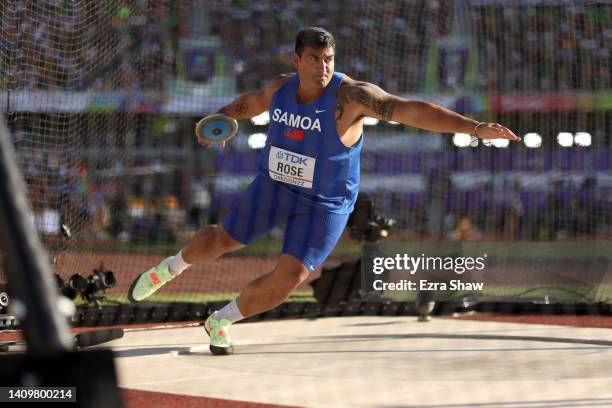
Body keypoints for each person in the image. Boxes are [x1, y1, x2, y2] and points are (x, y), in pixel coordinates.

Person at [128, 27, 520, 355]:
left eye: (328, 58)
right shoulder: (280, 89)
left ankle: (221, 320)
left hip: (326, 203)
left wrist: (473, 127)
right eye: (314, 58)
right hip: (275, 186)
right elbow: (250, 103)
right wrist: (224, 118)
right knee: (220, 240)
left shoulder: (353, 97)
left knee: (289, 278)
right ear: (296, 60)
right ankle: (169, 269)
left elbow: (409, 109)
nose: (323, 66)